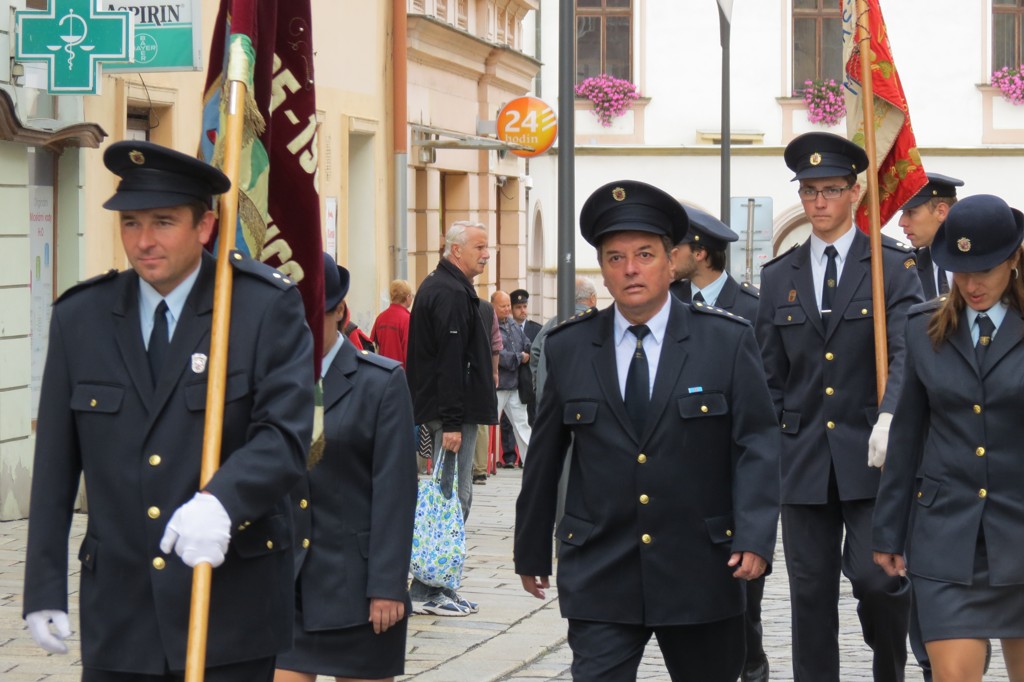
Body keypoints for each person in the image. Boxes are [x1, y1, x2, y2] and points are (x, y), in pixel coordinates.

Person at [22, 140, 314, 681]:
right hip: (120, 613)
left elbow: (285, 435)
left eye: (163, 222)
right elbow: (55, 467)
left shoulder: (260, 308)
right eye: (130, 223)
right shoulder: (80, 318)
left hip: (227, 608)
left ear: (205, 227)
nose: (145, 241)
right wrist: (42, 584)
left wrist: (225, 501)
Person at [515, 180, 780, 681]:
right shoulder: (570, 347)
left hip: (702, 564)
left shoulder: (725, 340)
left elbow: (757, 443)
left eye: (644, 254)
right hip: (601, 565)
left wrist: (755, 535)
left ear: (671, 259)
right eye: (615, 258)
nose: (630, 269)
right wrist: (530, 548)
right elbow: (546, 454)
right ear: (603, 268)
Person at [754, 131, 923, 682]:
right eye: (809, 191)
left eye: (831, 189)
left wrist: (891, 417)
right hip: (802, 458)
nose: (819, 202)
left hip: (872, 452)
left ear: (855, 194)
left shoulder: (892, 269)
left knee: (880, 583)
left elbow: (906, 356)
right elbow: (769, 373)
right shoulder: (781, 276)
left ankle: (888, 669)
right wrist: (776, 439)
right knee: (809, 594)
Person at [873, 194, 1024, 682]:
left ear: (1015, 258)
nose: (972, 284)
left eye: (985, 268)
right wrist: (888, 531)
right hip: (946, 540)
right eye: (960, 270)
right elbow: (908, 436)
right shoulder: (924, 327)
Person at [276, 255, 417, 682]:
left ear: (341, 312)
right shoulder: (270, 380)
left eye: (314, 313)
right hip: (287, 586)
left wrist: (387, 585)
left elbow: (395, 490)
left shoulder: (380, 382)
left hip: (358, 589)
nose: (300, 326)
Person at [669, 206, 768, 681]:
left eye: (675, 249)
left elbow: (767, 392)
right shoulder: (670, 302)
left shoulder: (751, 307)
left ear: (701, 252)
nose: (667, 258)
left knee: (744, 602)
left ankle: (751, 671)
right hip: (686, 475)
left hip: (735, 472)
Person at [406, 220, 496, 616]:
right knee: (450, 500)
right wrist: (454, 422)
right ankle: (427, 589)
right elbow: (450, 361)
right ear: (455, 250)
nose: (486, 254)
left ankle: (439, 583)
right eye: (479, 246)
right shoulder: (447, 291)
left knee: (453, 498)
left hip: (450, 410)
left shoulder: (450, 286)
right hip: (450, 414)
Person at [669, 206, 760, 322]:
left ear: (699, 254)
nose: (670, 255)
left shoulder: (752, 306)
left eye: (675, 249)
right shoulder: (669, 298)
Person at [530, 276, 598, 403]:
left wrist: (539, 385)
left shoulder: (552, 323)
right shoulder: (598, 324)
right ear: (593, 298)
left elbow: (535, 353)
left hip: (547, 402)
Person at [899, 173, 963, 300]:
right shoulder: (907, 270)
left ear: (941, 212)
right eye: (903, 213)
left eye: (911, 212)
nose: (901, 222)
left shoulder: (978, 259)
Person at [493, 290, 532, 467]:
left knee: (522, 423)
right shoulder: (490, 324)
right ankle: (481, 465)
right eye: (504, 306)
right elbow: (497, 354)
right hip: (498, 384)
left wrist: (529, 351)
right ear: (494, 306)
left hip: (515, 384)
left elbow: (525, 342)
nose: (508, 309)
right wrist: (519, 357)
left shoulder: (511, 323)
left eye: (509, 305)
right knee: (488, 425)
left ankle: (532, 461)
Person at [510, 288, 542, 426]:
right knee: (508, 424)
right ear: (511, 309)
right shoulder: (505, 329)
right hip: (511, 382)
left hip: (529, 383)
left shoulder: (536, 329)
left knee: (532, 419)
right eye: (518, 307)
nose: (523, 310)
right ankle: (510, 449)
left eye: (525, 306)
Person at [370, 279, 413, 367]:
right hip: (400, 373)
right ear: (407, 297)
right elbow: (409, 351)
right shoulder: (407, 319)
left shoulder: (380, 318)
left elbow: (373, 345)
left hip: (383, 371)